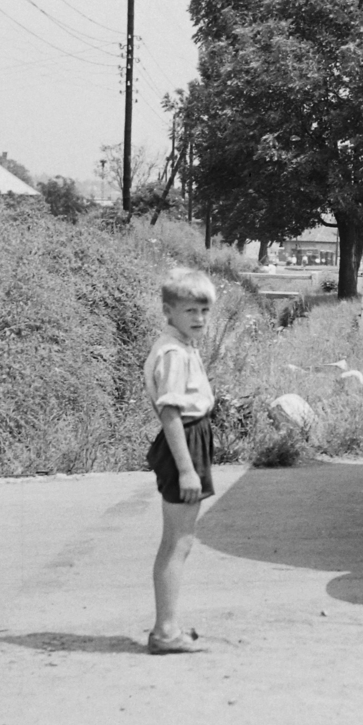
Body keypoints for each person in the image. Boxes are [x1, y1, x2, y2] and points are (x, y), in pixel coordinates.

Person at [142, 267, 218, 654]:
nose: (199, 318)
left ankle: (167, 627)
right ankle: (165, 632)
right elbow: (170, 412)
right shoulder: (173, 352)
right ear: (168, 311)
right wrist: (186, 468)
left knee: (177, 541)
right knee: (178, 542)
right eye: (190, 310)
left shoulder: (183, 345)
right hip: (183, 444)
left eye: (204, 310)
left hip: (191, 439)